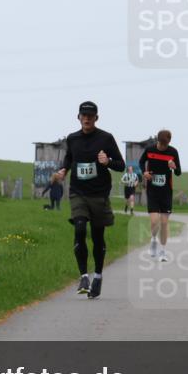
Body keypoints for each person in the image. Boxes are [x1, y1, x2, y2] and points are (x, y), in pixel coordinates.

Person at [54, 101, 125, 299]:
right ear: (78, 117)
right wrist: (64, 169)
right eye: (84, 115)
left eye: (91, 116)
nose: (87, 118)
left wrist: (108, 161)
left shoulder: (106, 138)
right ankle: (84, 276)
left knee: (97, 237)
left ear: (96, 118)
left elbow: (121, 165)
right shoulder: (73, 138)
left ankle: (98, 276)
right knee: (79, 228)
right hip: (78, 192)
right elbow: (69, 158)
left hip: (99, 194)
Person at [139, 130, 181, 262]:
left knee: (164, 223)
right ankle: (153, 240)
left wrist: (174, 167)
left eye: (166, 145)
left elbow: (178, 172)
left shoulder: (173, 152)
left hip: (166, 192)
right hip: (152, 191)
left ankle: (163, 252)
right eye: (162, 144)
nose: (164, 147)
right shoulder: (150, 150)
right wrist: (144, 172)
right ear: (158, 141)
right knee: (154, 221)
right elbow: (141, 162)